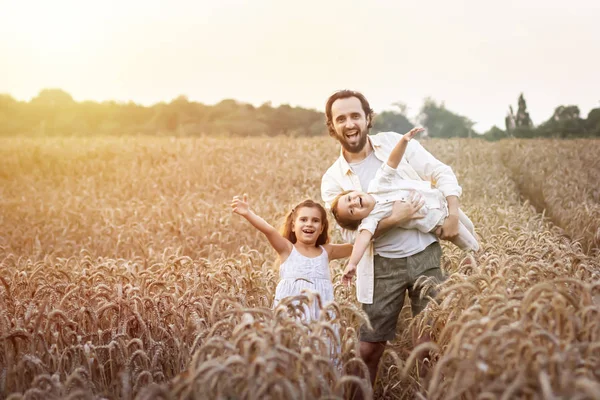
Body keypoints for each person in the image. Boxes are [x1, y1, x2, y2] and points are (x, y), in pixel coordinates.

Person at [321, 89, 465, 391]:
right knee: (369, 349)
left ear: (367, 118)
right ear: (332, 126)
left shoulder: (391, 144)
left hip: (424, 253)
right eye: (341, 118)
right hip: (380, 267)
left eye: (355, 116)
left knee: (428, 345)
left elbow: (440, 171)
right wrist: (394, 218)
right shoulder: (333, 179)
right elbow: (350, 232)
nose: (350, 124)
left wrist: (452, 214)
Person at [330, 126, 479, 285]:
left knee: (470, 227)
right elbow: (361, 240)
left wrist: (403, 141)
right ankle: (472, 272)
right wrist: (352, 264)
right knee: (473, 247)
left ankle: (472, 266)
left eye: (349, 199)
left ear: (353, 191)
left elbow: (391, 162)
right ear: (359, 219)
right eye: (352, 211)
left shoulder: (377, 185)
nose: (353, 203)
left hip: (438, 198)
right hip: (437, 221)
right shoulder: (372, 219)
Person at [231, 194, 352, 320]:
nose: (309, 224)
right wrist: (247, 213)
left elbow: (357, 247)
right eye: (303, 219)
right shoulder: (287, 249)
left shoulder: (327, 251)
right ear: (293, 226)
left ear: (321, 228)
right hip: (291, 315)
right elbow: (269, 230)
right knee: (291, 339)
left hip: (321, 316)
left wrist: (367, 225)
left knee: (321, 339)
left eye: (315, 220)